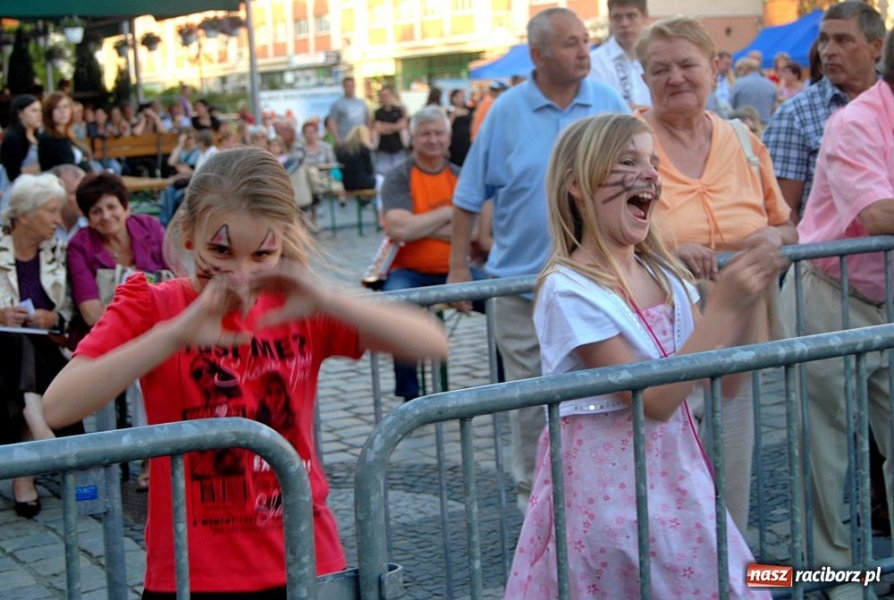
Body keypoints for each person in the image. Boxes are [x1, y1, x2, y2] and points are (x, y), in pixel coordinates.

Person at [42, 147, 449, 596]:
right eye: (221, 250)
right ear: (190, 233)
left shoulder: (297, 307)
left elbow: (430, 342)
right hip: (192, 573)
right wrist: (176, 334)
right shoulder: (153, 305)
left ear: (282, 241)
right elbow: (59, 405)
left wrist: (325, 299)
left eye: (261, 254)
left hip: (305, 562)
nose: (240, 273)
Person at [503, 112, 779, 600]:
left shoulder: (666, 276)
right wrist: (724, 304)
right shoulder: (569, 291)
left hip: (678, 485)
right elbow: (651, 400)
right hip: (604, 504)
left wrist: (753, 293)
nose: (650, 173)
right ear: (577, 186)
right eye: (628, 161)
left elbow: (724, 383)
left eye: (653, 162)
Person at [449, 7, 629, 511]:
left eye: (584, 41)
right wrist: (459, 268)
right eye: (570, 43)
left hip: (603, 286)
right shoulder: (505, 112)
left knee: (603, 396)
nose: (583, 51)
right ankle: (538, 503)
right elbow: (467, 196)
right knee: (532, 402)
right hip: (522, 289)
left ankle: (599, 494)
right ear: (538, 55)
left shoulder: (609, 103)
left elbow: (643, 182)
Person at [635, 15, 797, 532]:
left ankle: (729, 582)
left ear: (712, 68)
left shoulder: (742, 138)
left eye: (687, 64)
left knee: (730, 494)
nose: (675, 77)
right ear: (644, 79)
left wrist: (773, 238)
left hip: (739, 340)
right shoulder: (627, 141)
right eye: (660, 69)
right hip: (660, 347)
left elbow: (787, 225)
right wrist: (668, 247)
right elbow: (598, 230)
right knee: (663, 498)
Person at [781, 28, 894, 600]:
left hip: (886, 301)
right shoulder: (855, 121)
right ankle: (837, 576)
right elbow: (878, 216)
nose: (828, 50)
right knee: (826, 451)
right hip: (829, 296)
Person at [380, 106, 486, 401]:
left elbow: (478, 232)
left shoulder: (461, 176)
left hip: (457, 269)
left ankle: (507, 386)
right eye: (425, 134)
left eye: (439, 133)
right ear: (412, 138)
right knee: (396, 306)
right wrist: (448, 213)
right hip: (408, 272)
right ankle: (410, 397)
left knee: (502, 301)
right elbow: (399, 229)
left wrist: (422, 224)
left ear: (449, 137)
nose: (433, 139)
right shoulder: (399, 177)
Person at [0, 174, 83, 519]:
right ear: (24, 213)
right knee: (15, 343)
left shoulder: (58, 250)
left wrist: (52, 318)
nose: (57, 220)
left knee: (26, 363)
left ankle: (27, 468)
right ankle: (42, 443)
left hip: (47, 347)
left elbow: (67, 310)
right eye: (50, 211)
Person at [763, 1, 885, 223]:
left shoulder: (889, 102)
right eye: (824, 40)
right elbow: (782, 214)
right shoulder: (794, 115)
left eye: (843, 40)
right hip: (828, 254)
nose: (828, 51)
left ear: (876, 47)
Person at [67, 172, 168, 328]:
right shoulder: (79, 246)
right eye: (96, 211)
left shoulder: (151, 227)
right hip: (108, 333)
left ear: (126, 207)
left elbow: (180, 279)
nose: (106, 216)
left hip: (163, 326)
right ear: (89, 220)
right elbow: (91, 314)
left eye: (111, 207)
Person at [588, 0, 652, 107]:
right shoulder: (595, 62)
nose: (624, 24)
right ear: (609, 19)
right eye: (617, 17)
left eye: (631, 16)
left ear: (645, 16)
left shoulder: (656, 58)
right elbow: (602, 105)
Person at [37, 91, 93, 173]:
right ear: (49, 112)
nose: (62, 111)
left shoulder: (68, 135)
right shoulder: (49, 139)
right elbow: (68, 167)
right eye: (57, 108)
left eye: (65, 107)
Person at [0, 94, 42, 183]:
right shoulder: (12, 138)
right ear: (20, 113)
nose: (39, 115)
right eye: (34, 111)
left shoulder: (39, 136)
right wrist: (42, 165)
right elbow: (13, 174)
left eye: (40, 111)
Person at [729, 57, 778, 125]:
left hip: (743, 124)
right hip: (764, 124)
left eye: (740, 69)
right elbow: (773, 106)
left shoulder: (739, 84)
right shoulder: (771, 85)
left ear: (746, 69)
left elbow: (730, 104)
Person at [373, 86, 407, 176]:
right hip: (383, 148)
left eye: (387, 95)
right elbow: (379, 128)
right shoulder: (378, 113)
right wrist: (395, 127)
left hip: (397, 147)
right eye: (383, 96)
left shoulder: (398, 111)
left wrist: (386, 126)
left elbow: (402, 125)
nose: (385, 98)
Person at [48, 164, 87, 243]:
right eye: (75, 193)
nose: (84, 197)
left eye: (86, 191)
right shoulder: (42, 225)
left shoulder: (95, 224)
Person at [335, 125, 379, 194]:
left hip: (347, 183)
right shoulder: (364, 148)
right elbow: (370, 169)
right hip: (364, 182)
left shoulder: (342, 149)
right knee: (381, 180)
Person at [327, 77, 369, 146]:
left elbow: (367, 120)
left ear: (354, 86)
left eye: (351, 86)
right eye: (347, 86)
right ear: (343, 87)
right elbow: (332, 123)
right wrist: (338, 140)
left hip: (361, 141)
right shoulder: (337, 104)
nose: (350, 88)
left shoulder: (361, 103)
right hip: (345, 141)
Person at [447, 88, 474, 166]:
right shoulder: (450, 111)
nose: (460, 99)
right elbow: (448, 126)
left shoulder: (470, 110)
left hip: (467, 140)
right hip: (455, 141)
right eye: (457, 97)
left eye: (461, 97)